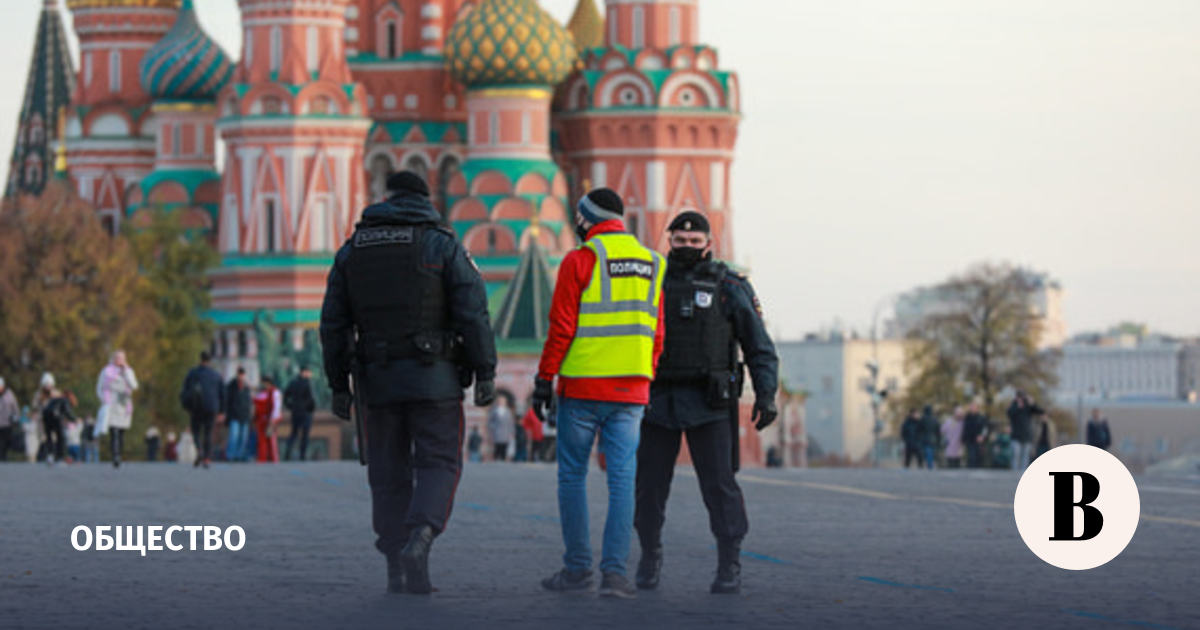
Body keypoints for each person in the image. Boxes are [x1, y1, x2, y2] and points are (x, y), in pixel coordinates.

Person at [320, 170, 497, 595]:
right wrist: (485, 370)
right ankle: (421, 537)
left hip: (376, 382)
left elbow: (333, 324)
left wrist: (338, 385)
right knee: (438, 463)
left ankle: (394, 567)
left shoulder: (352, 252)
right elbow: (473, 312)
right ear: (425, 198)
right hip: (434, 380)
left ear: (387, 197)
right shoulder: (442, 245)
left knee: (387, 473)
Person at [631, 211, 779, 595]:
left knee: (720, 487)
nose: (686, 248)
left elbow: (758, 345)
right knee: (648, 488)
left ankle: (729, 562)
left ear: (708, 245)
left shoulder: (729, 286)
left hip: (709, 401)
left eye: (694, 243)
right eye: (679, 242)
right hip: (657, 400)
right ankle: (650, 555)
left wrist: (766, 394)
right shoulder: (650, 283)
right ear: (669, 241)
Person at [529, 187, 666, 599]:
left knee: (572, 476)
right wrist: (646, 375)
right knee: (622, 480)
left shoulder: (581, 259)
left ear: (586, 220)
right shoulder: (653, 263)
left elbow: (562, 326)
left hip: (583, 388)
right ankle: (615, 575)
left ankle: (576, 571)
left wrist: (544, 379)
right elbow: (658, 334)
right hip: (631, 391)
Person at [180, 351, 226, 469]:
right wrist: (222, 411)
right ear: (210, 361)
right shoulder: (216, 375)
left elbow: (185, 390)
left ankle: (199, 449)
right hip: (212, 407)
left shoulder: (193, 373)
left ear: (200, 359)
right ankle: (206, 458)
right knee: (208, 432)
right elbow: (222, 394)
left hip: (196, 407)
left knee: (196, 431)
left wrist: (186, 406)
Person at [97, 350, 139, 468]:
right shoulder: (106, 371)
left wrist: (126, 372)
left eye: (122, 358)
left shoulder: (129, 371)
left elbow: (134, 386)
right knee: (114, 431)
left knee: (121, 432)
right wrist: (104, 400)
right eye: (118, 358)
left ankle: (119, 453)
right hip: (111, 403)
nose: (120, 361)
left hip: (124, 404)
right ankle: (115, 456)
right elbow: (99, 387)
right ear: (113, 359)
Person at [284, 366, 317, 461]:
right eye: (309, 372)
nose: (310, 374)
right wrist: (311, 409)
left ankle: (288, 451)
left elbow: (286, 395)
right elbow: (312, 399)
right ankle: (302, 455)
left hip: (295, 411)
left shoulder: (293, 383)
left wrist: (289, 406)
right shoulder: (308, 383)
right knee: (305, 435)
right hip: (306, 412)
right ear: (304, 372)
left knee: (293, 433)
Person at [1006, 391, 1044, 471]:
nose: (1021, 399)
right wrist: (1018, 407)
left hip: (1026, 435)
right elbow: (1009, 413)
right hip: (1015, 436)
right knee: (1016, 455)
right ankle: (1014, 473)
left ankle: (1023, 473)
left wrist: (1033, 403)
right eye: (1019, 397)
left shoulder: (1029, 406)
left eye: (1022, 397)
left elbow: (1041, 411)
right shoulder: (1013, 406)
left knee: (1025, 456)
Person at [41, 388, 76, 465]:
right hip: (55, 417)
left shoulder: (55, 398)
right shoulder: (64, 400)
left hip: (46, 416)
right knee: (61, 438)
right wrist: (74, 419)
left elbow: (46, 407)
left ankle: (50, 456)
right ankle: (60, 457)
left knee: (49, 437)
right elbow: (67, 412)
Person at [224, 368, 252, 462]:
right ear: (237, 374)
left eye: (242, 374)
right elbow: (227, 401)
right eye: (239, 374)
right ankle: (230, 455)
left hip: (244, 415)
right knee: (234, 436)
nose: (241, 376)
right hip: (234, 415)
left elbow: (249, 402)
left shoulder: (247, 387)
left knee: (243, 437)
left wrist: (249, 414)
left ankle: (240, 455)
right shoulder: (231, 386)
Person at [253, 376, 282, 463]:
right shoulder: (265, 393)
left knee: (271, 439)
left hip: (271, 420)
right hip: (263, 420)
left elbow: (276, 407)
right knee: (262, 440)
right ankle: (262, 458)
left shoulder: (275, 392)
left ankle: (274, 459)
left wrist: (272, 420)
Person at [961, 400, 989, 468]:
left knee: (978, 457)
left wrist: (982, 436)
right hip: (969, 440)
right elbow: (965, 429)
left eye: (973, 407)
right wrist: (963, 439)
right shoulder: (967, 417)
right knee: (971, 457)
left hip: (978, 441)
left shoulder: (981, 417)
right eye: (971, 407)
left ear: (977, 408)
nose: (972, 408)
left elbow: (985, 429)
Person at [487, 395, 514, 462]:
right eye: (500, 401)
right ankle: (496, 460)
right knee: (497, 448)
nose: (501, 402)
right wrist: (493, 428)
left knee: (504, 448)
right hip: (497, 432)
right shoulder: (494, 411)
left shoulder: (508, 411)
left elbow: (510, 423)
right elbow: (490, 421)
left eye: (503, 401)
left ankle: (503, 461)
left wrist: (511, 432)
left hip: (505, 433)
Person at [0, 377, 19, 462]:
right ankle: (2, 457)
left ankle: (4, 455)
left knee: (7, 440)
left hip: (7, 423)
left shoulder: (9, 394)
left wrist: (16, 417)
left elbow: (15, 407)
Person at [919, 405, 940, 469]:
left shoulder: (923, 419)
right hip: (933, 438)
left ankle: (929, 464)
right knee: (931, 451)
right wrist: (938, 439)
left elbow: (919, 429)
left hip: (925, 438)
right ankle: (930, 464)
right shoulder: (935, 419)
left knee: (927, 451)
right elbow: (938, 430)